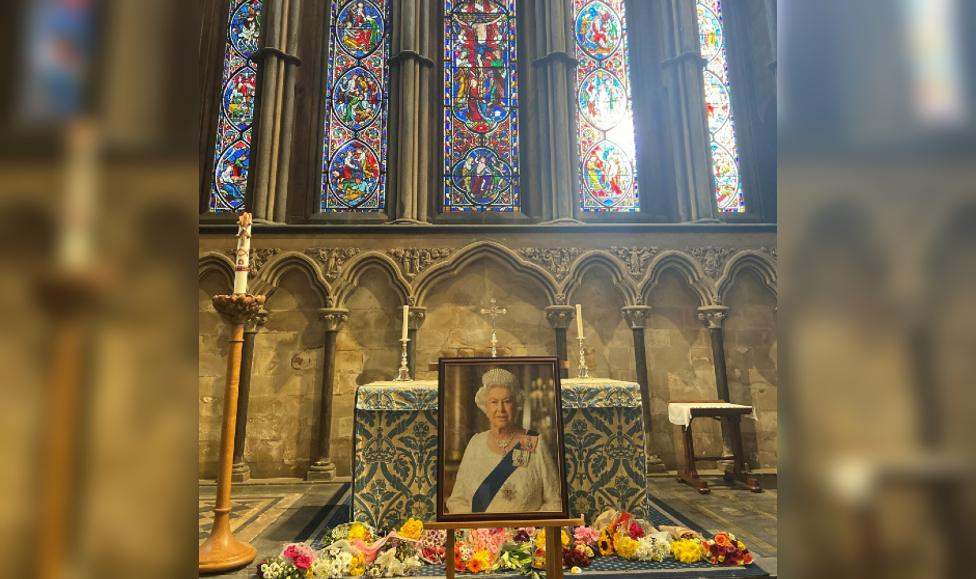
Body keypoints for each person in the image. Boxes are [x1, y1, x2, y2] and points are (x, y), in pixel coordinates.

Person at [445, 368, 562, 514]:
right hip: (481, 535)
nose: (500, 409)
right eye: (494, 402)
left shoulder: (534, 442)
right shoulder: (475, 444)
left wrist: (528, 531)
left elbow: (555, 502)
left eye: (506, 401)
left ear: (516, 405)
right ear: (485, 407)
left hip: (526, 535)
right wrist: (474, 531)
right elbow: (457, 500)